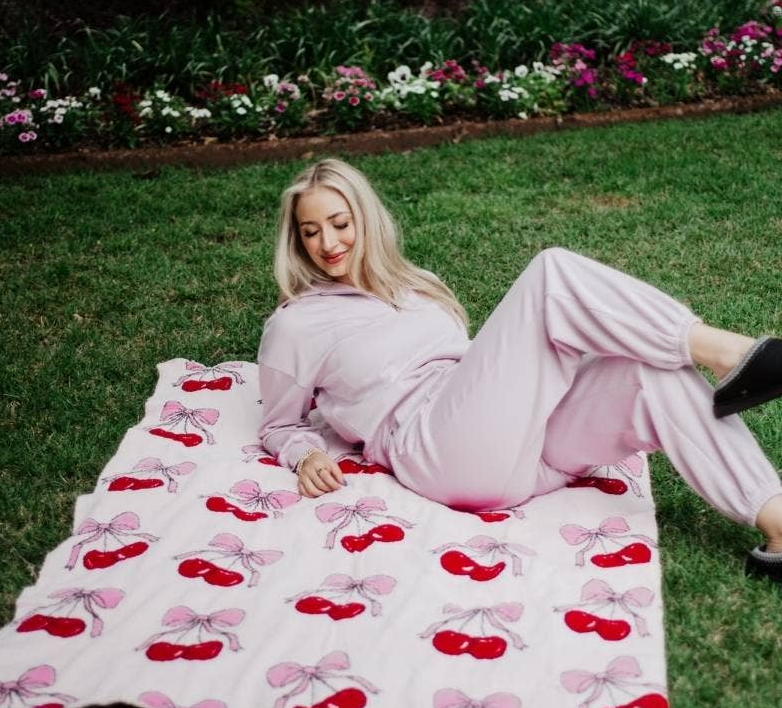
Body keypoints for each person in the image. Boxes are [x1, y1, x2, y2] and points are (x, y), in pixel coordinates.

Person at [258, 158, 782, 582]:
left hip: (524, 449)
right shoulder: (296, 325)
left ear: (364, 220)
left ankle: (777, 520)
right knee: (551, 275)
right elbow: (279, 423)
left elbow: (479, 376)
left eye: (339, 223)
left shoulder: (416, 287)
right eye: (310, 232)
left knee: (652, 374)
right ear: (297, 241)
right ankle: (730, 352)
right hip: (436, 450)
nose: (328, 244)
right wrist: (304, 456)